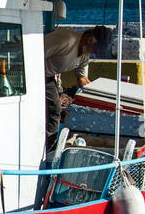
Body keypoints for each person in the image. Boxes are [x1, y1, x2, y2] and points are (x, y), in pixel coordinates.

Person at [43, 25, 110, 153]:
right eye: (95, 48)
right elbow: (35, 54)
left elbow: (82, 80)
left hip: (50, 77)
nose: (94, 52)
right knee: (54, 108)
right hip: (37, 74)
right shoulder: (66, 40)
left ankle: (50, 143)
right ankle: (50, 149)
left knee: (62, 107)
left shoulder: (84, 55)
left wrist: (100, 100)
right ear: (90, 40)